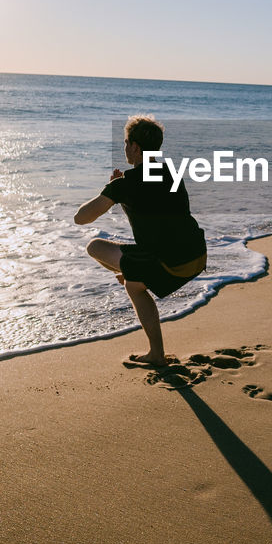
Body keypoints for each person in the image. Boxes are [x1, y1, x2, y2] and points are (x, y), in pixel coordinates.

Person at [74, 115, 207, 366]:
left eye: (126, 143)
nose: (124, 148)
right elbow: (154, 213)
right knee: (133, 278)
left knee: (95, 247)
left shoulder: (125, 184)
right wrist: (121, 194)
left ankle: (156, 354)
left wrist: (112, 189)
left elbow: (81, 218)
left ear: (135, 147)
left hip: (172, 263)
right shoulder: (170, 174)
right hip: (197, 255)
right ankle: (133, 275)